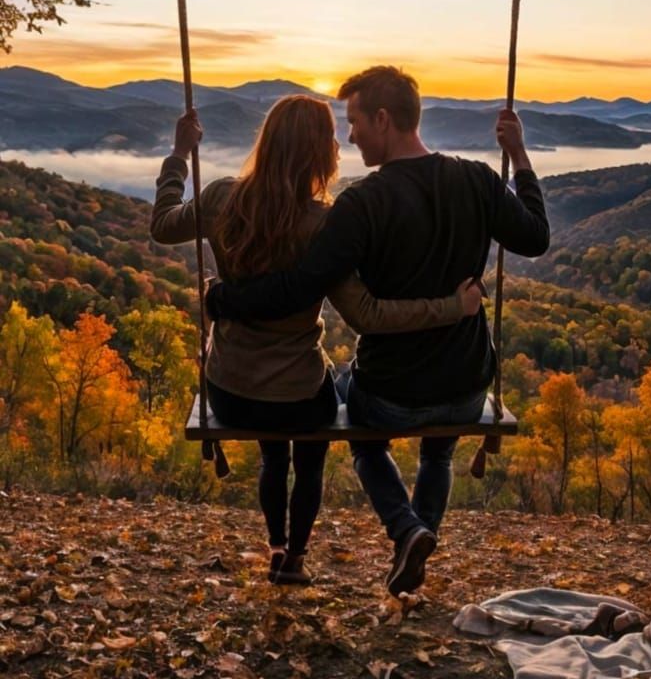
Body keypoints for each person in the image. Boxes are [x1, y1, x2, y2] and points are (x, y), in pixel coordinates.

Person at [205, 65, 550, 599]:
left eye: (356, 122)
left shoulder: (362, 203)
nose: (350, 137)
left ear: (383, 119)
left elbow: (300, 286)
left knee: (358, 426)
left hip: (391, 393)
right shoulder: (480, 179)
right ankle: (418, 537)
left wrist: (224, 299)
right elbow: (535, 237)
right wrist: (520, 155)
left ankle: (406, 530)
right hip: (465, 386)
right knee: (438, 452)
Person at [152, 95, 483, 586]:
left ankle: (276, 545)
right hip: (299, 395)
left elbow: (162, 225)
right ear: (316, 152)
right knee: (312, 452)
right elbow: (367, 314)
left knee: (273, 455)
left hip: (230, 390)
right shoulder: (324, 224)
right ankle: (295, 557)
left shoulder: (222, 198)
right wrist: (452, 307)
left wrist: (180, 154)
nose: (338, 145)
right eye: (330, 138)